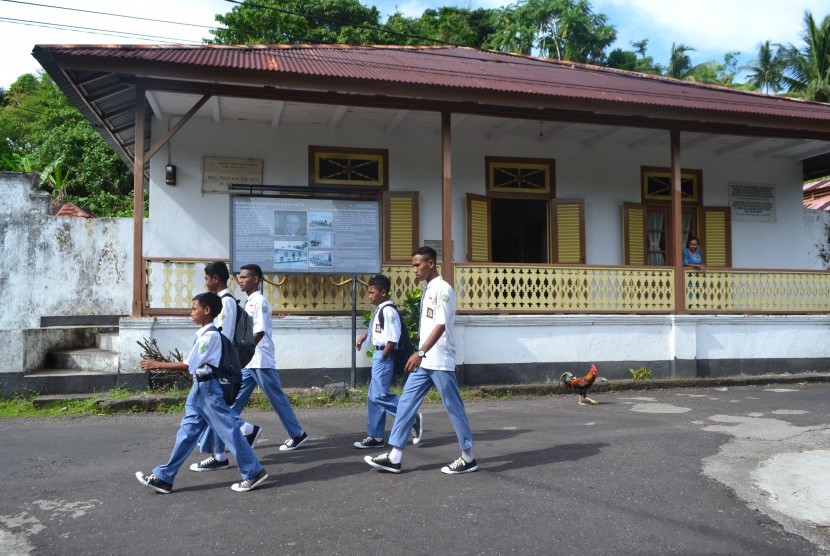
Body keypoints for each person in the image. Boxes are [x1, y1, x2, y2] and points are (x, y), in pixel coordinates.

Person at [135, 292, 268, 494]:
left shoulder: (210, 337)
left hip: (209, 390)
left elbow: (188, 365)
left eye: (194, 308)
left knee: (230, 431)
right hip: (200, 389)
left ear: (207, 311)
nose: (191, 312)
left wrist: (156, 365)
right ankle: (165, 477)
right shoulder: (206, 335)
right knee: (187, 433)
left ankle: (253, 472)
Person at [364, 246, 477, 475]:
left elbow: (441, 324)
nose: (414, 269)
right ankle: (395, 456)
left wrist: (421, 352)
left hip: (438, 359)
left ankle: (468, 457)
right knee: (405, 403)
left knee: (453, 407)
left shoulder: (443, 289)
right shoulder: (428, 289)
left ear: (431, 264)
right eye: (413, 265)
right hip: (425, 361)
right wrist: (421, 354)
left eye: (417, 265)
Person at [202, 264, 309, 454]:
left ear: (256, 279)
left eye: (245, 277)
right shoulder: (248, 301)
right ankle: (219, 440)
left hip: (260, 360)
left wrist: (241, 354)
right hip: (248, 362)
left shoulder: (260, 301)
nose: (241, 281)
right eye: (240, 277)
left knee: (276, 398)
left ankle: (297, 434)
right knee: (233, 401)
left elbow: (259, 332)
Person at [192, 262, 261, 473]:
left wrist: (219, 365)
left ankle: (244, 431)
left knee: (218, 411)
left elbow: (225, 336)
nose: (205, 283)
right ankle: (219, 454)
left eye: (206, 278)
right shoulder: (224, 301)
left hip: (220, 367)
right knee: (214, 411)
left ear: (215, 279)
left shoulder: (227, 303)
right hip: (217, 365)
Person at [353, 274, 422, 449]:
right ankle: (376, 436)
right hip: (379, 355)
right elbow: (379, 332)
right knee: (372, 397)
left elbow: (392, 338)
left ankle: (411, 417)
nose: (369, 296)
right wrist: (365, 336)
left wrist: (383, 356)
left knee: (380, 395)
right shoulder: (380, 310)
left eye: (372, 292)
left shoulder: (388, 311)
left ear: (383, 292)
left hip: (384, 357)